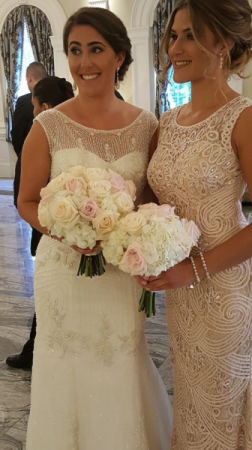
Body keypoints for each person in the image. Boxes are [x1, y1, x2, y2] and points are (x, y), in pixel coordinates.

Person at [18, 7, 173, 450]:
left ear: (120, 56)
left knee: (120, 363)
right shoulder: (46, 126)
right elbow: (27, 201)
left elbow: (151, 203)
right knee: (65, 369)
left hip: (120, 277)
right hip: (63, 272)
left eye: (96, 49)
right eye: (74, 51)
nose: (84, 63)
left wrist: (144, 237)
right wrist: (65, 231)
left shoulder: (147, 125)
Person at [143, 0, 252, 448]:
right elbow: (151, 195)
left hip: (223, 287)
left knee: (218, 409)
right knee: (191, 402)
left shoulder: (242, 117)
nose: (176, 48)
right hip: (179, 293)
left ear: (223, 44)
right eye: (173, 36)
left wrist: (194, 269)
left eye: (190, 35)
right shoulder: (166, 123)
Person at [6, 62, 47, 371]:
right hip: (43, 201)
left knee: (45, 275)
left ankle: (35, 349)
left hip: (45, 197)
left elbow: (18, 138)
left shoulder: (22, 102)